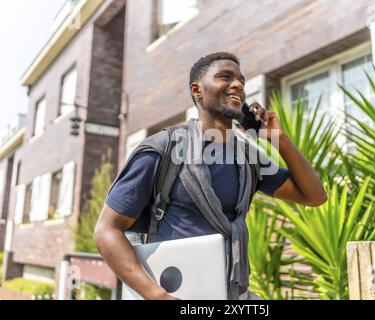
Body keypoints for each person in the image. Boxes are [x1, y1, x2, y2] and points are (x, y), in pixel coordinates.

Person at [94, 52, 327, 300]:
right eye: (225, 77)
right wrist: (156, 296)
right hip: (174, 292)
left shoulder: (249, 158)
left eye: (241, 81)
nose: (237, 84)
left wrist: (281, 141)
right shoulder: (164, 148)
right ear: (197, 89)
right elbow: (107, 230)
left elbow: (314, 196)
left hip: (233, 293)